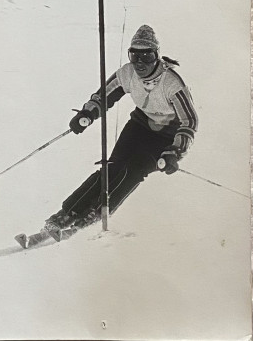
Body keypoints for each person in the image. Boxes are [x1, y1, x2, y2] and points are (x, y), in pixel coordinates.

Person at [42, 24, 198, 240]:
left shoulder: (171, 83)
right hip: (139, 126)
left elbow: (189, 120)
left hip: (165, 136)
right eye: (135, 56)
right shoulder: (127, 73)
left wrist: (175, 151)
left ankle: (95, 215)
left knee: (133, 170)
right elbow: (104, 96)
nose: (140, 63)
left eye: (147, 56)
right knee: (111, 168)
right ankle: (66, 214)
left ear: (157, 56)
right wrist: (87, 114)